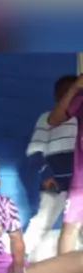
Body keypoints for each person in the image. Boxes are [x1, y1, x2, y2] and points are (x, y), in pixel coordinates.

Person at [24, 76, 77, 261]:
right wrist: (46, 174)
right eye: (67, 93)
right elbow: (34, 150)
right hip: (56, 181)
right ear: (58, 97)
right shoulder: (47, 119)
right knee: (43, 221)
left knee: (77, 224)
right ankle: (21, 259)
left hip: (79, 182)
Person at [47, 74, 83, 256]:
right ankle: (63, 271)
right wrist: (75, 88)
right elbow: (53, 119)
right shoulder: (80, 100)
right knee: (70, 230)